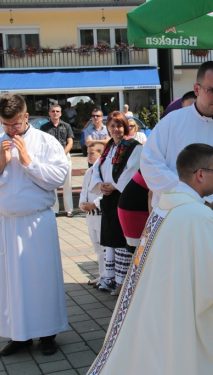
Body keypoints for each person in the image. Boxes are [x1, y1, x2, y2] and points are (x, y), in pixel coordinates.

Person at [87, 143, 213, 375]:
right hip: (181, 310)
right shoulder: (197, 216)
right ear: (200, 174)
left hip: (162, 303)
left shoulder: (166, 205)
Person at [0, 94, 69, 356]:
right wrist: (0, 164)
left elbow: (59, 175)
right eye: (6, 124)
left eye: (15, 124)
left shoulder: (45, 142)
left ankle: (48, 334)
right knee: (10, 283)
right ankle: (19, 335)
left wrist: (29, 162)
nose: (11, 130)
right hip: (6, 223)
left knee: (42, 280)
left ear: (26, 117)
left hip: (36, 222)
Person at [140, 61, 213, 209]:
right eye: (212, 90)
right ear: (197, 89)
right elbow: (150, 163)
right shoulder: (171, 122)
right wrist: (188, 193)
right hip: (174, 210)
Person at [89, 111, 143, 296]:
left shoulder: (133, 146)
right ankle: (110, 278)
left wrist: (113, 185)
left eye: (119, 125)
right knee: (110, 239)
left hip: (123, 196)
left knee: (121, 240)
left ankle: (123, 281)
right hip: (109, 197)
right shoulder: (108, 146)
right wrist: (100, 184)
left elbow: (132, 170)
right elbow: (97, 168)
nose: (116, 129)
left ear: (125, 127)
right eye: (112, 125)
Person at [40, 104, 74, 217]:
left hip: (64, 156)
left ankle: (69, 209)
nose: (55, 113)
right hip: (50, 158)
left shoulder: (66, 126)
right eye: (53, 111)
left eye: (57, 111)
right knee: (52, 184)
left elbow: (70, 142)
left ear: (61, 113)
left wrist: (62, 153)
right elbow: (42, 143)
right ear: (49, 113)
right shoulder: (44, 128)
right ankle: (54, 209)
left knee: (67, 184)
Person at [79, 142, 105, 288]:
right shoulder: (90, 172)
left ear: (100, 153)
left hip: (100, 214)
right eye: (87, 152)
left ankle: (107, 276)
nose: (88, 155)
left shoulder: (103, 170)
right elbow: (84, 189)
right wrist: (83, 203)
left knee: (104, 248)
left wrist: (94, 204)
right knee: (96, 247)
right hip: (90, 215)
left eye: (92, 153)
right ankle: (102, 274)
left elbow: (104, 194)